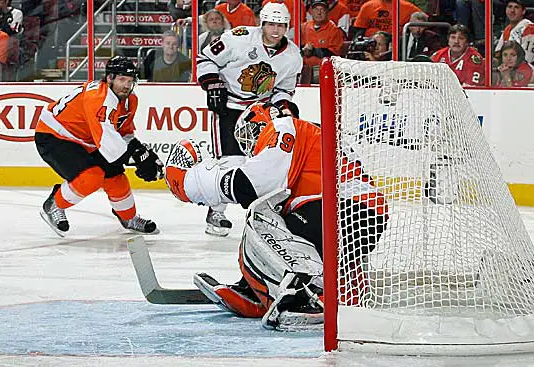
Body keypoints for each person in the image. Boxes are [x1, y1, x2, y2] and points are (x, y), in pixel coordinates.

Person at [164, 102, 388, 329]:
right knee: (278, 215)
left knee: (262, 216)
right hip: (358, 215)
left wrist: (191, 184)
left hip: (342, 208)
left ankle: (305, 297)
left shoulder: (283, 125)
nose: (250, 145)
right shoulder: (311, 134)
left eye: (250, 134)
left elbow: (253, 184)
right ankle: (259, 289)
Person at [196, 2, 302, 237]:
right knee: (230, 161)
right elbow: (205, 59)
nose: (276, 30)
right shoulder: (238, 37)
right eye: (271, 24)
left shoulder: (293, 55)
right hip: (230, 106)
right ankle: (216, 211)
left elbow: (285, 88)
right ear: (261, 23)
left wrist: (284, 106)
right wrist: (212, 83)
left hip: (260, 111)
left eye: (281, 25)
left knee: (267, 164)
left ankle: (264, 213)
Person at [34, 56, 164, 237]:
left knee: (115, 176)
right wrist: (139, 160)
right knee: (91, 177)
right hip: (55, 136)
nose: (126, 85)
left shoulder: (130, 99)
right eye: (121, 80)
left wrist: (140, 152)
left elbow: (123, 132)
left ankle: (129, 217)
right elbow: (107, 141)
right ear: (109, 79)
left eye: (130, 80)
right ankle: (54, 205)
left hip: (87, 139)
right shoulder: (99, 99)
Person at [300, 0, 345, 82]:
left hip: (323, 69)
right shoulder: (303, 27)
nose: (319, 13)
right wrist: (303, 50)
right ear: (311, 12)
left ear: (327, 12)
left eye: (322, 10)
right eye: (316, 9)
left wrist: (313, 51)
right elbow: (296, 47)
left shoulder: (334, 30)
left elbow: (334, 55)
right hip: (303, 68)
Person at [494, 0, 534, 65]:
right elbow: (498, 54)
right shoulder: (508, 29)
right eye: (510, 7)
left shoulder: (530, 30)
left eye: (516, 7)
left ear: (523, 11)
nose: (512, 10)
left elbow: (527, 60)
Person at [351, 0, 421, 39]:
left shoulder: (408, 7)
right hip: (370, 42)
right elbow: (359, 30)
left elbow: (425, 21)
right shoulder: (368, 6)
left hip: (395, 44)